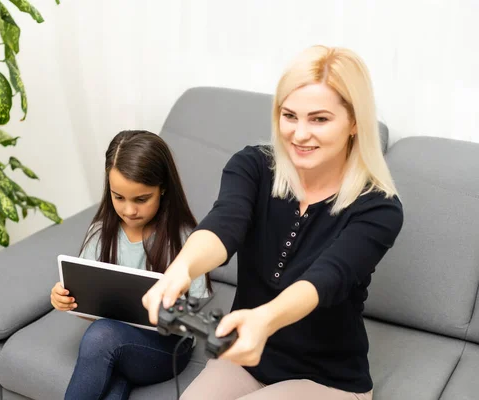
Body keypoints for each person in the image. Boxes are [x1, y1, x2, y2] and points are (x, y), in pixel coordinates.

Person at [142, 45, 404, 400]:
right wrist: (180, 270)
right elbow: (224, 224)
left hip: (325, 379)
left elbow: (325, 278)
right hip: (244, 358)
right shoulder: (253, 166)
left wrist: (263, 321)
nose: (299, 134)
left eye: (319, 119)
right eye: (289, 115)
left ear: (354, 122)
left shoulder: (379, 208)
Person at [51, 130, 211, 400]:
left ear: (162, 187)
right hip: (119, 343)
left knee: (101, 336)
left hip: (168, 346)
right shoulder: (102, 232)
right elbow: (92, 309)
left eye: (141, 199)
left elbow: (195, 317)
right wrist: (69, 301)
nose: (128, 210)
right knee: (110, 365)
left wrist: (169, 309)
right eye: (119, 197)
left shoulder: (184, 238)